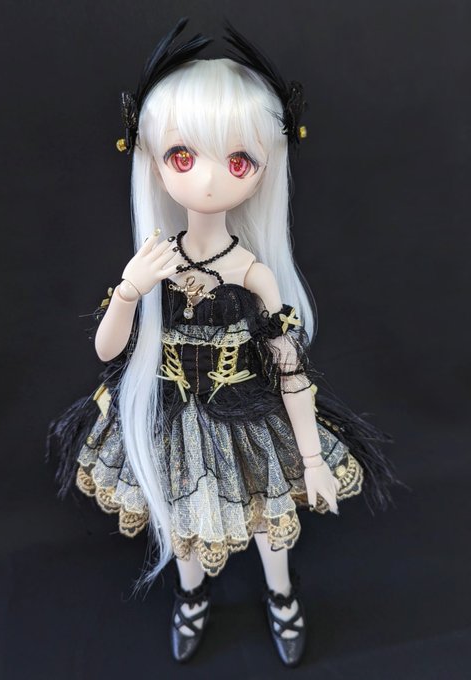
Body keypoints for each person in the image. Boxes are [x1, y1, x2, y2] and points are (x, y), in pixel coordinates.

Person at [47, 19, 399, 667]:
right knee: (182, 520)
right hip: (172, 414)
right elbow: (107, 351)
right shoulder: (154, 263)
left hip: (245, 413)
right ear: (153, 160)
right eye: (183, 157)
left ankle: (281, 594)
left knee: (269, 522)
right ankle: (191, 596)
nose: (209, 182)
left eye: (238, 161)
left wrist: (312, 457)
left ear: (264, 169)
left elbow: (289, 367)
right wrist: (129, 290)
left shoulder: (252, 273)